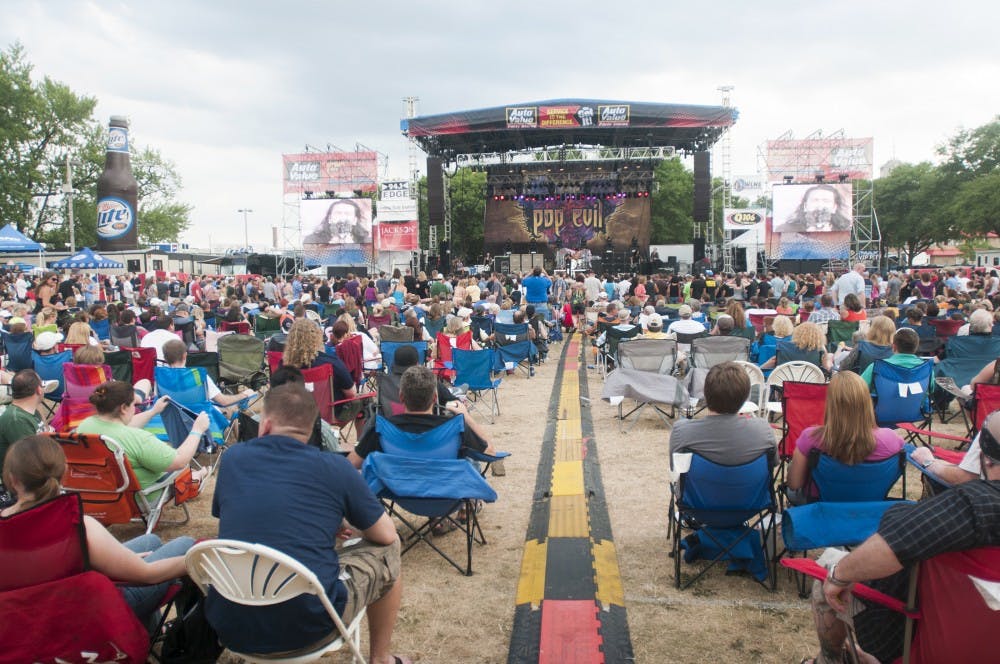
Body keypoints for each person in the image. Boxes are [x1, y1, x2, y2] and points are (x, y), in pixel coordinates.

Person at [207, 383, 410, 663]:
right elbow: (386, 535)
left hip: (232, 625)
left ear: (264, 425)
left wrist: (325, 519)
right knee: (391, 550)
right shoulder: (335, 468)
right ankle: (380, 659)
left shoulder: (232, 459)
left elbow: (243, 516)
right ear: (314, 428)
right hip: (310, 629)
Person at [801, 411, 1000, 664]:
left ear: (985, 460)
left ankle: (829, 661)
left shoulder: (972, 506)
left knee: (825, 571)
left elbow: (895, 543)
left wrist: (839, 573)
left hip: (931, 643)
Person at [1, 435, 194, 631]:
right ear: (64, 472)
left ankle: (145, 635)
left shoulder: (8, 525)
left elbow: (40, 570)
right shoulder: (79, 526)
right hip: (84, 618)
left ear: (12, 479)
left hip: (22, 619)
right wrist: (201, 556)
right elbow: (147, 576)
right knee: (186, 545)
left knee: (149, 541)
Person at [784, 372, 905, 504]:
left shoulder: (811, 438)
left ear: (831, 404)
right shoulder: (891, 440)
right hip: (871, 507)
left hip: (822, 508)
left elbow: (794, 484)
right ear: (867, 402)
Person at [76, 381, 210, 494]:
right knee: (181, 472)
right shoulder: (138, 439)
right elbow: (179, 461)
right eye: (134, 405)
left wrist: (153, 412)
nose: (135, 409)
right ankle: (197, 476)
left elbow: (121, 427)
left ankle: (198, 475)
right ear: (123, 408)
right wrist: (197, 430)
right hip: (138, 496)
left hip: (97, 491)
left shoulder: (84, 426)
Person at [349, 365, 494, 469]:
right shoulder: (453, 426)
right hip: (445, 492)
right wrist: (465, 415)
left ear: (401, 397)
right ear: (435, 398)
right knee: (469, 461)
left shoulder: (381, 427)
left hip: (398, 489)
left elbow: (352, 463)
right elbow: (490, 452)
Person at [668, 362, 775, 467]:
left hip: (699, 484)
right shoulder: (764, 431)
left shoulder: (682, 431)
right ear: (746, 396)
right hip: (753, 485)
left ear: (705, 393)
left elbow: (676, 468)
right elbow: (773, 464)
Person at [775, 184, 853, 233]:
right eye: (815, 200)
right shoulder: (785, 230)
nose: (820, 205)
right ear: (805, 206)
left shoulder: (845, 230)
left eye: (826, 201)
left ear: (834, 208)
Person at [303, 198, 372, 245]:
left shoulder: (366, 242)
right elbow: (312, 263)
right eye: (338, 213)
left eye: (347, 214)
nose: (342, 218)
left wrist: (352, 247)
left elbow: (368, 263)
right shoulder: (313, 240)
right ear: (329, 219)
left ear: (354, 220)